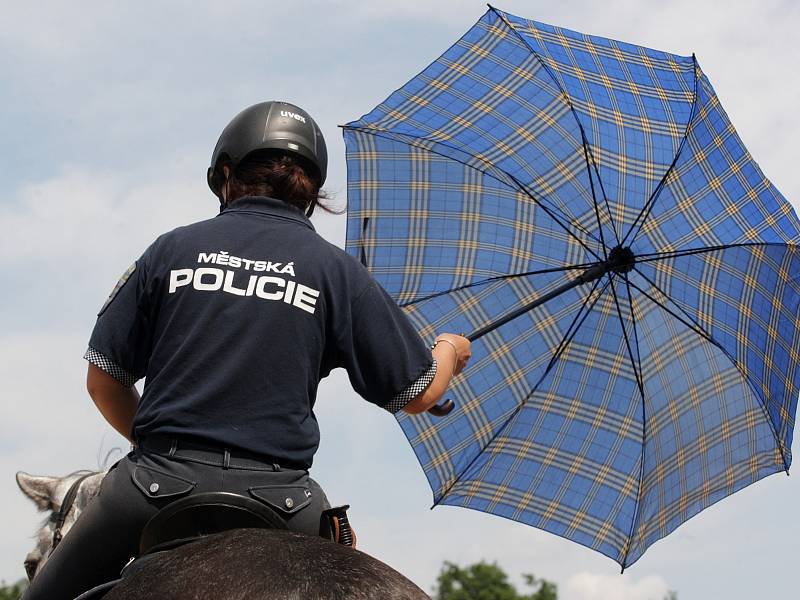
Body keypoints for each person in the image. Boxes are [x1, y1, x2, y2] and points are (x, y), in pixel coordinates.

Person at [23, 101, 471, 600]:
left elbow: (103, 380)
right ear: (312, 193)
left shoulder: (170, 250)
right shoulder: (338, 271)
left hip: (152, 486)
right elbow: (418, 394)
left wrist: (160, 450)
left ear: (226, 173)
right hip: (287, 500)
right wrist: (449, 348)